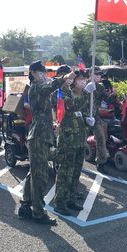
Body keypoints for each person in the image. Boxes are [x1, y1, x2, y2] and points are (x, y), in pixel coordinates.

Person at [18, 60, 75, 225]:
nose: (44, 75)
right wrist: (64, 78)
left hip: (42, 134)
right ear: (34, 73)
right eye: (41, 72)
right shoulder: (36, 87)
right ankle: (38, 212)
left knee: (34, 173)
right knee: (40, 176)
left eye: (45, 72)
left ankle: (26, 204)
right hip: (38, 136)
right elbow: (49, 87)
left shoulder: (40, 88)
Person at [52, 70, 95, 215]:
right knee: (65, 173)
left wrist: (88, 120)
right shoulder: (62, 94)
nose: (82, 81)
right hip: (68, 141)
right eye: (79, 79)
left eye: (84, 79)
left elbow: (78, 112)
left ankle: (70, 199)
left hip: (79, 140)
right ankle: (59, 203)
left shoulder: (76, 94)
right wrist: (87, 93)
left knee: (75, 172)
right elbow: (72, 107)